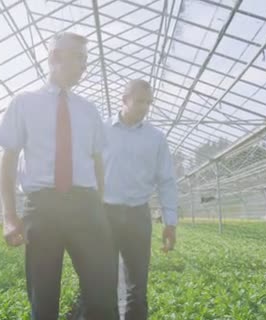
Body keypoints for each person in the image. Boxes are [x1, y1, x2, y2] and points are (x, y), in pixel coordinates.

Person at [0, 32, 119, 320]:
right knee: (43, 299)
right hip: (43, 207)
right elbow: (8, 158)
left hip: (86, 206)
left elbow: (97, 160)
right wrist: (9, 216)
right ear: (55, 57)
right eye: (80, 58)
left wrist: (100, 204)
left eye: (86, 59)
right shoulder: (24, 103)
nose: (85, 66)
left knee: (102, 295)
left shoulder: (89, 110)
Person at [103, 79, 178, 320]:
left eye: (149, 102)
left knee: (138, 285)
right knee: (103, 284)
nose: (145, 107)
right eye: (140, 101)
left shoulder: (155, 138)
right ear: (124, 100)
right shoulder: (101, 130)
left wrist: (170, 222)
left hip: (138, 215)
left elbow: (166, 181)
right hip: (105, 214)